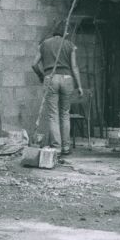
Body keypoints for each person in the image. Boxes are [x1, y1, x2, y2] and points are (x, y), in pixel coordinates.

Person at [32, 26, 83, 155]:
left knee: (53, 115)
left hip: (51, 78)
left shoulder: (44, 44)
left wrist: (41, 76)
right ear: (64, 33)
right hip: (67, 79)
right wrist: (80, 86)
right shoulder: (70, 45)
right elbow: (74, 66)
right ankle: (66, 147)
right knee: (65, 114)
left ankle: (57, 147)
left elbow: (34, 64)